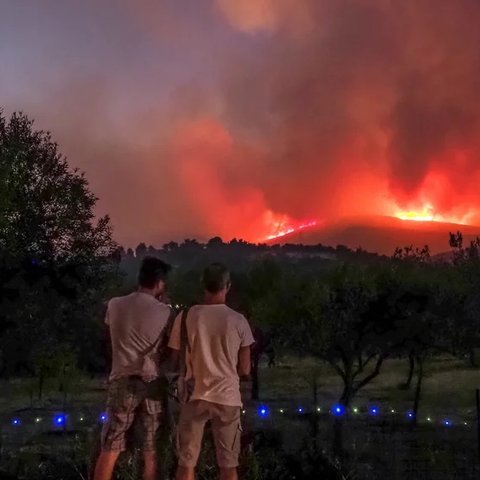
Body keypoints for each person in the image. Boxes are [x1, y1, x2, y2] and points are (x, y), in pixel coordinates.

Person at [169, 263, 255, 480]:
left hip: (194, 396)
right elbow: (245, 368)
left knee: (187, 462)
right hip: (227, 398)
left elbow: (174, 359)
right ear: (228, 286)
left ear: (203, 285)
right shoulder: (238, 320)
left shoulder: (185, 316)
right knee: (228, 465)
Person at [94, 256, 172, 480]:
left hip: (121, 379)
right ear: (159, 283)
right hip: (152, 384)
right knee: (150, 449)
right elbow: (167, 349)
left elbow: (111, 335)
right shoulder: (165, 312)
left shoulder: (115, 304)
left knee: (111, 446)